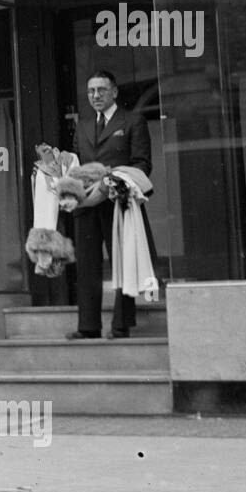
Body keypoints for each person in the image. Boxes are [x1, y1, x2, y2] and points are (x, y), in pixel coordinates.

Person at [68, 69, 152, 339]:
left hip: (119, 202)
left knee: (123, 263)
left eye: (101, 90)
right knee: (87, 265)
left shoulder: (132, 121)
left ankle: (121, 324)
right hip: (87, 204)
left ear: (114, 92)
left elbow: (142, 165)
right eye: (91, 91)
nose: (95, 96)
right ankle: (88, 326)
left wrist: (112, 181)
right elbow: (75, 165)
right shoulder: (82, 125)